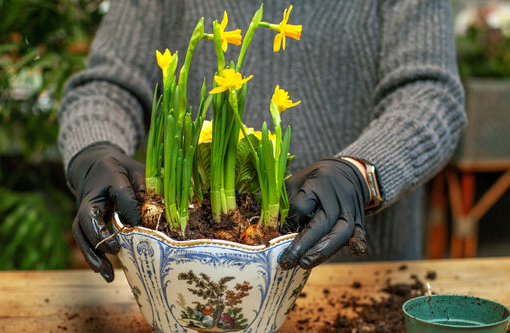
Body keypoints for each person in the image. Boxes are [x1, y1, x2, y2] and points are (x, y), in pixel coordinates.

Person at [58, 0, 467, 282]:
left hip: (360, 284)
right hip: (191, 289)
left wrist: (360, 173)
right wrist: (93, 150)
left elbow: (431, 96)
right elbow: (108, 86)